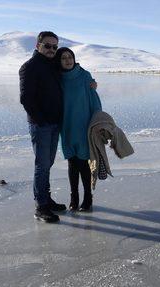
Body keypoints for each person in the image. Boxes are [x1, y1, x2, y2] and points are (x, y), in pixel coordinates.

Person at [19, 31, 67, 223]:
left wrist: (90, 83)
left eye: (54, 47)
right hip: (42, 125)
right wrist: (41, 120)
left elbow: (71, 68)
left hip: (55, 123)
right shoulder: (29, 67)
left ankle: (46, 199)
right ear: (37, 45)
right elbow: (26, 99)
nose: (51, 50)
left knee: (48, 163)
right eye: (47, 46)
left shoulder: (53, 65)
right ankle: (41, 207)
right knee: (42, 165)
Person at [55, 47, 102, 212]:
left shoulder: (84, 76)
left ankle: (88, 197)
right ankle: (74, 198)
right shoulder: (58, 78)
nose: (67, 60)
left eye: (70, 57)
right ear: (58, 61)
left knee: (83, 162)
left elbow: (94, 100)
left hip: (84, 125)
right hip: (66, 126)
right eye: (63, 58)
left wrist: (97, 122)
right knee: (71, 162)